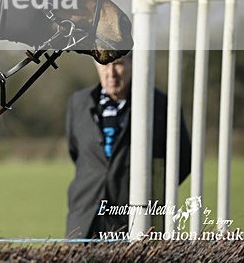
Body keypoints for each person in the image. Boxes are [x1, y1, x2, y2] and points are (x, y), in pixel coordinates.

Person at [65, 52, 191, 238]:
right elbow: (76, 152)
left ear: (133, 64)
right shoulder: (78, 103)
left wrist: (148, 191)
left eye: (118, 64)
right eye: (104, 64)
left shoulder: (161, 106)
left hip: (138, 225)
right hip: (84, 224)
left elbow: (182, 161)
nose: (111, 73)